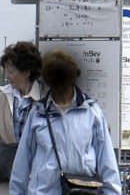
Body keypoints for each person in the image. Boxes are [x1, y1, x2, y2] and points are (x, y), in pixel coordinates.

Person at [9, 49, 120, 195]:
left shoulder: (91, 112)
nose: (60, 90)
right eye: (55, 84)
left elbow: (107, 161)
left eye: (62, 83)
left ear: (71, 79)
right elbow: (22, 163)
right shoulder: (38, 113)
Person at [1, 42, 43, 182]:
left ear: (26, 72)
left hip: (38, 172)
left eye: (11, 72)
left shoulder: (46, 98)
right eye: (6, 71)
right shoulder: (2, 96)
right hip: (8, 171)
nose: (7, 76)